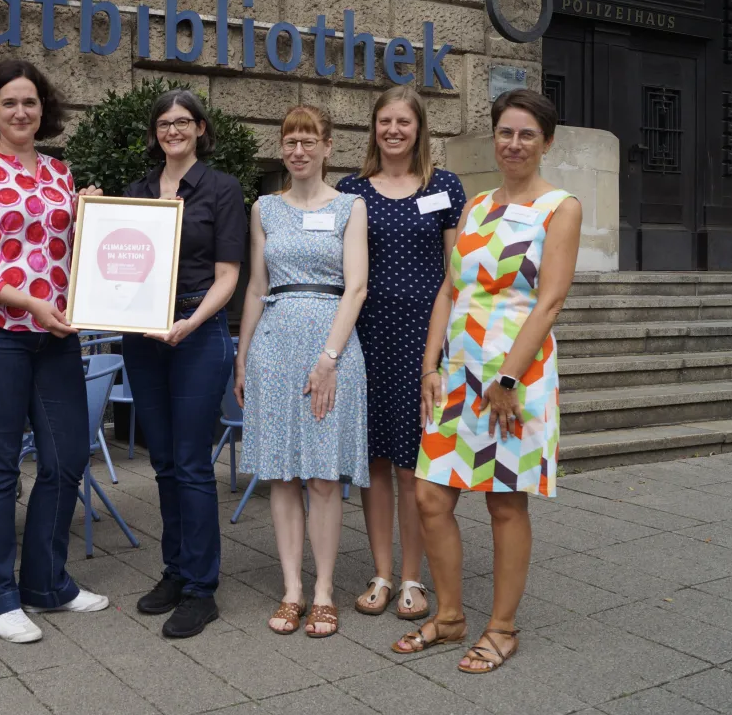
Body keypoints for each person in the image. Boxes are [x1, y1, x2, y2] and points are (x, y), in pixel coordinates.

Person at [393, 89, 581, 673]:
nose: (514, 143)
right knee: (430, 495)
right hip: (457, 372)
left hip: (514, 376)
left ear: (546, 142)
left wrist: (505, 378)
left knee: (504, 504)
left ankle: (501, 627)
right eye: (505, 132)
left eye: (527, 134)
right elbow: (451, 291)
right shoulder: (475, 206)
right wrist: (430, 364)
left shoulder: (560, 206)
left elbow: (548, 303)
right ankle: (450, 617)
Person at [0, 59, 108, 645]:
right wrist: (29, 302)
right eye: (10, 102)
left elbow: (73, 253)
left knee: (67, 459)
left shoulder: (61, 174)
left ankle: (46, 583)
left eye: (30, 103)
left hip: (54, 337)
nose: (21, 112)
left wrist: (95, 216)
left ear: (44, 111)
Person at [234, 105, 369, 639]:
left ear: (328, 146)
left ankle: (324, 591)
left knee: (321, 475)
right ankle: (291, 588)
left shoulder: (350, 206)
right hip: (273, 343)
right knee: (282, 475)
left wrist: (329, 358)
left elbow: (356, 286)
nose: (298, 149)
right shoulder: (264, 207)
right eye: (290, 140)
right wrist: (243, 355)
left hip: (330, 345)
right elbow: (255, 286)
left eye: (309, 139)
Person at [336, 86, 466, 621]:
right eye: (384, 121)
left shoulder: (445, 187)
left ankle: (414, 577)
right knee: (374, 461)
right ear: (374, 128)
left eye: (403, 122)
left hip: (423, 339)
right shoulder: (351, 190)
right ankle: (382, 572)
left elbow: (457, 274)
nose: (393, 130)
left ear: (419, 129)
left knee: (415, 465)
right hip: (366, 337)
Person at [121, 89, 246, 639]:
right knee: (165, 461)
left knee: (193, 463)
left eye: (183, 122)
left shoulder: (221, 189)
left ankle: (201, 590)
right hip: (143, 332)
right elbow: (116, 259)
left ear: (200, 128)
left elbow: (228, 275)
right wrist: (89, 210)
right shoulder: (138, 191)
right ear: (156, 132)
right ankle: (174, 571)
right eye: (164, 123)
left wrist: (191, 324)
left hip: (197, 328)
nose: (173, 130)